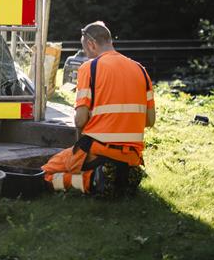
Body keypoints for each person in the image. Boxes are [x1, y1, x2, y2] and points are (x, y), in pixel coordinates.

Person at [42, 21, 155, 196]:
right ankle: (121, 176)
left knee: (45, 173)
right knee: (115, 164)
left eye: (86, 52)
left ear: (91, 44)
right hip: (132, 155)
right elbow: (149, 121)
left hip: (98, 151)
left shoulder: (89, 67)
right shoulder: (141, 70)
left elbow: (80, 120)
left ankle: (92, 181)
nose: (87, 56)